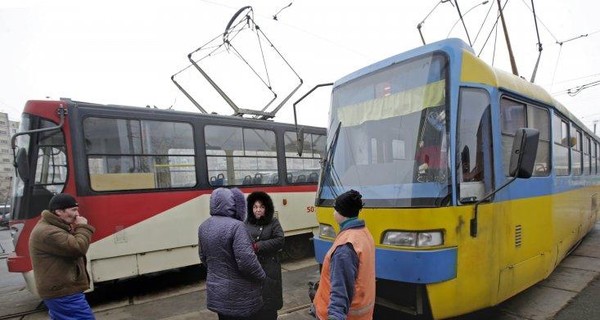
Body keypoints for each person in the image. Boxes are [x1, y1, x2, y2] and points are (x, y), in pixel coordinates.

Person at [198, 188, 266, 320]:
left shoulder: (203, 226)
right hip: (239, 295)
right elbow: (247, 262)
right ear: (233, 205)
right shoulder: (237, 226)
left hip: (217, 293)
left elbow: (203, 257)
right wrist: (261, 276)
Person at [29, 193, 96, 320]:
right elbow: (78, 248)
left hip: (61, 290)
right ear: (59, 211)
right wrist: (83, 227)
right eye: (73, 210)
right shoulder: (49, 232)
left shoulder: (53, 227)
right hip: (63, 291)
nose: (77, 214)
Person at [313, 190, 375, 320]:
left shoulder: (345, 247)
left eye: (335, 209)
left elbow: (340, 292)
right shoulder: (363, 233)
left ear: (342, 213)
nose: (333, 213)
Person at [245, 191, 285, 320]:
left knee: (269, 305)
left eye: (261, 207)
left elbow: (280, 240)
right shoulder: (246, 223)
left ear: (267, 208)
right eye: (255, 207)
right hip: (253, 268)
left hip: (270, 269)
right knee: (254, 305)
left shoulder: (273, 222)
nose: (258, 210)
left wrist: (258, 246)